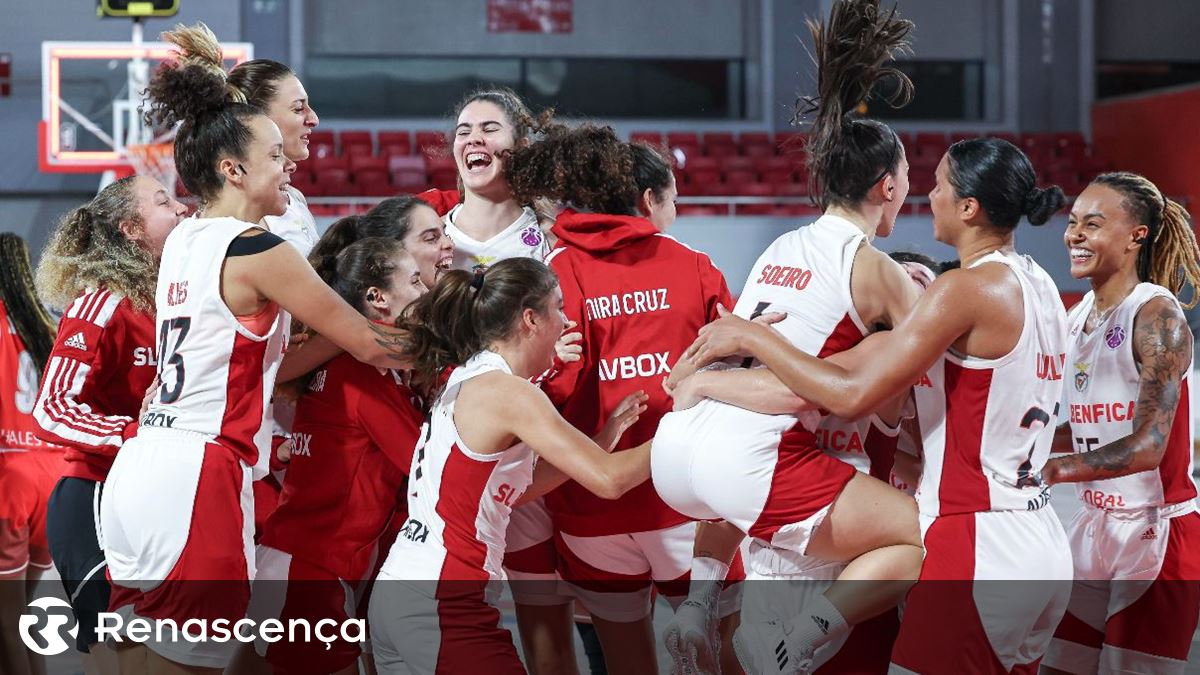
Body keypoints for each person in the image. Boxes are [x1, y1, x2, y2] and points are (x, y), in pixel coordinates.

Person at [684, 136, 1073, 673]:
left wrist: (754, 339)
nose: (927, 197)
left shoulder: (961, 290)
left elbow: (849, 395)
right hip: (1041, 537)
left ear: (968, 207)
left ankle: (744, 620)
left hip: (978, 539)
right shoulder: (1043, 286)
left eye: (938, 187)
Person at [97, 23, 407, 672]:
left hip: (139, 466)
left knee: (132, 657)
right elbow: (372, 343)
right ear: (232, 168)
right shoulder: (262, 249)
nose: (288, 164)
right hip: (200, 475)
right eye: (275, 154)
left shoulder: (184, 237)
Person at [650, 1, 925, 672]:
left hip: (682, 451)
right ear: (888, 186)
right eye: (910, 179)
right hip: (752, 460)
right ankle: (795, 643)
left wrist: (700, 381)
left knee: (744, 457)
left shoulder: (781, 246)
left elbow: (739, 351)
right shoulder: (874, 268)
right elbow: (909, 374)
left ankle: (697, 605)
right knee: (921, 539)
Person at [505, 125, 746, 674]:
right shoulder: (692, 263)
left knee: (626, 663)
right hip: (685, 500)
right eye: (674, 201)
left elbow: (550, 390)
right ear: (647, 199)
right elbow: (736, 369)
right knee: (720, 654)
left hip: (590, 510)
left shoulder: (555, 270)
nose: (675, 211)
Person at [368, 257, 651, 675]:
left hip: (406, 589)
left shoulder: (471, 376)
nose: (567, 321)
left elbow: (515, 489)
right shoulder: (509, 394)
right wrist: (690, 430)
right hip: (442, 600)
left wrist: (602, 439)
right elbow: (610, 481)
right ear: (531, 319)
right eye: (559, 307)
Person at [231, 237, 428, 675]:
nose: (425, 291)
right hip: (313, 570)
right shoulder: (363, 377)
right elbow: (426, 467)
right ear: (376, 298)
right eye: (415, 281)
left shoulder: (340, 364)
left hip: (297, 560)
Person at [1040, 172, 1200, 675]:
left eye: (1094, 223)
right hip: (1094, 523)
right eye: (1072, 224)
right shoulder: (1077, 316)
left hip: (1155, 533)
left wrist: (1050, 469)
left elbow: (1149, 446)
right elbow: (1087, 426)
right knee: (1054, 665)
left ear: (1137, 235)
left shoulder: (1155, 315)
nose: (1075, 235)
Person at [32, 176, 186, 675]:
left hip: (153, 498)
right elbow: (52, 405)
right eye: (164, 201)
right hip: (95, 494)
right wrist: (136, 437)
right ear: (132, 230)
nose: (182, 208)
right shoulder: (103, 301)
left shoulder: (177, 300)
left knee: (162, 648)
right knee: (118, 654)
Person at [0, 233, 61, 675]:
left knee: (6, 614)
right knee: (22, 609)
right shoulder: (49, 324)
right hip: (55, 475)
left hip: (10, 475)